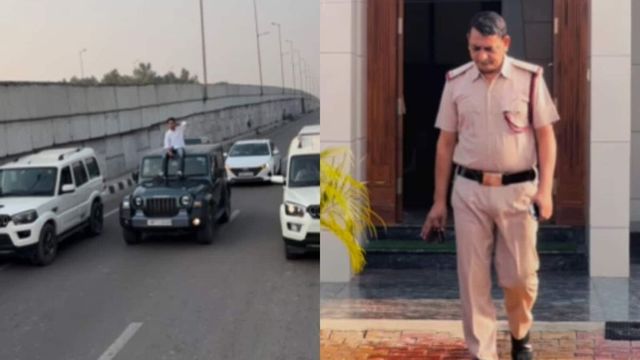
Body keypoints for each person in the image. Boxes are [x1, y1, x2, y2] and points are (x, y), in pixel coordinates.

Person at [420, 11, 559, 360]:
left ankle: (520, 335)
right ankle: (481, 352)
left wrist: (545, 192)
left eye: (489, 49)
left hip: (519, 192)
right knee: (472, 279)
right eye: (475, 48)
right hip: (468, 192)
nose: (481, 56)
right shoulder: (455, 82)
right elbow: (445, 144)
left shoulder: (529, 80)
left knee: (520, 276)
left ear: (505, 43)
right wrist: (439, 202)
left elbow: (546, 137)